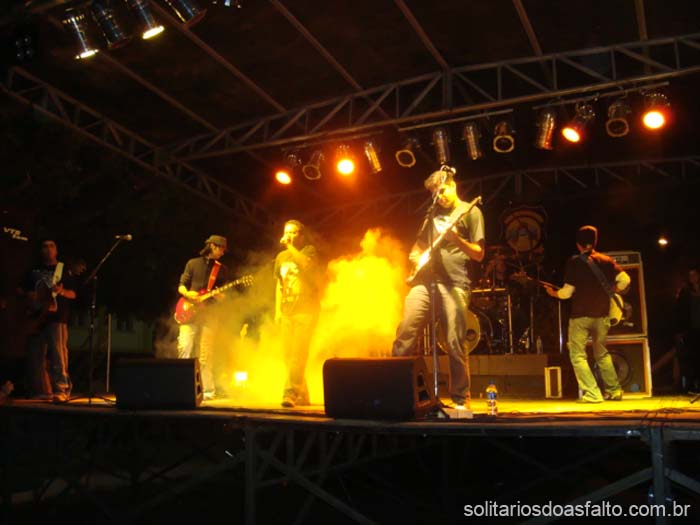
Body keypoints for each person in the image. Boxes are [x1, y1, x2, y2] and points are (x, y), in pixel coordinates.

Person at [392, 168, 485, 410]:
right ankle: (397, 393)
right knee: (405, 332)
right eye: (434, 194)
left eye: (442, 191)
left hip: (455, 284)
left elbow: (479, 254)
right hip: (425, 283)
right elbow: (418, 246)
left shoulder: (470, 211)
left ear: (453, 186)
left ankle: (460, 399)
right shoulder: (431, 215)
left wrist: (456, 240)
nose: (439, 197)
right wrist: (415, 257)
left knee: (454, 340)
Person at [544, 226, 630, 403]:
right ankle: (615, 391)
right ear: (595, 241)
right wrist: (614, 289)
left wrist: (554, 293)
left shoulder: (574, 262)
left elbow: (566, 293)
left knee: (577, 355)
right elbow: (625, 280)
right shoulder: (607, 261)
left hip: (581, 316)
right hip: (602, 315)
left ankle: (592, 393)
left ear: (578, 244)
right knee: (602, 354)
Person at [18, 239, 77, 403]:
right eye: (45, 246)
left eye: (51, 246)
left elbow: (73, 294)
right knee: (36, 356)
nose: (48, 249)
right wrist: (28, 295)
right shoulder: (34, 270)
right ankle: (42, 390)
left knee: (58, 354)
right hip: (36, 317)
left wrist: (61, 291)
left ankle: (61, 389)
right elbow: (20, 288)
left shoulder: (63, 269)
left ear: (56, 250)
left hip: (57, 318)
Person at [274, 220, 320, 408]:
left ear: (301, 235)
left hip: (306, 311)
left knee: (298, 354)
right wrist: (277, 311)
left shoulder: (309, 251)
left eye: (293, 232)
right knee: (288, 355)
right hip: (286, 310)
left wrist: (289, 247)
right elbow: (279, 284)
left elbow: (304, 264)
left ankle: (290, 393)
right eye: (286, 232)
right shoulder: (281, 257)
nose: (289, 235)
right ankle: (303, 395)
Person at [177, 235, 229, 400]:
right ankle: (182, 388)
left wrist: (220, 296)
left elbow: (224, 296)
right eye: (221, 248)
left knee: (206, 353)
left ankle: (208, 391)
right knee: (184, 348)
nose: (223, 252)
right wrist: (187, 294)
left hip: (210, 313)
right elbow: (181, 285)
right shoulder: (192, 263)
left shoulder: (222, 269)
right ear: (213, 246)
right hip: (189, 313)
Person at [674, 266, 700, 393]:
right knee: (692, 358)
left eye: (694, 275)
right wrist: (680, 330)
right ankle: (692, 385)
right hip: (691, 329)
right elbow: (680, 312)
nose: (692, 277)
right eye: (690, 275)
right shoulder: (686, 292)